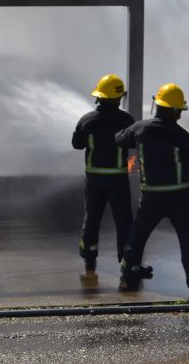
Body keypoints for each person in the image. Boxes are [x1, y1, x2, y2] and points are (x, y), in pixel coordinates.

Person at [115, 83, 189, 301]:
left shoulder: (140, 129)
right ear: (176, 112)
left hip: (151, 195)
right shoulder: (184, 137)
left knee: (138, 234)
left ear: (157, 105)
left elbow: (120, 139)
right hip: (180, 197)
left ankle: (129, 275)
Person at [71, 74, 148, 279]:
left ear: (99, 96)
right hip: (117, 180)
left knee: (92, 217)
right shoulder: (126, 120)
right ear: (118, 98)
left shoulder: (87, 120)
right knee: (123, 221)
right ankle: (127, 261)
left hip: (94, 179)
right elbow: (134, 143)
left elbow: (77, 144)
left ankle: (89, 256)